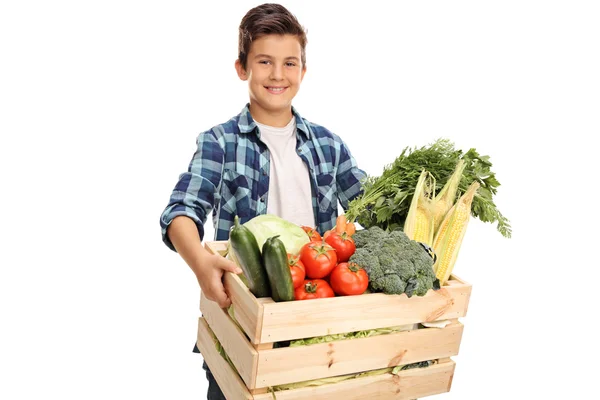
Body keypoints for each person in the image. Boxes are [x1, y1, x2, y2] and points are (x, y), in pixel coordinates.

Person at [159, 3, 366, 399]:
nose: (277, 74)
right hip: (244, 321)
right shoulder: (219, 142)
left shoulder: (328, 144)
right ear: (242, 68)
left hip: (315, 319)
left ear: (303, 71)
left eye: (290, 63)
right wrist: (200, 263)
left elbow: (371, 208)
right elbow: (181, 211)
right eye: (265, 61)